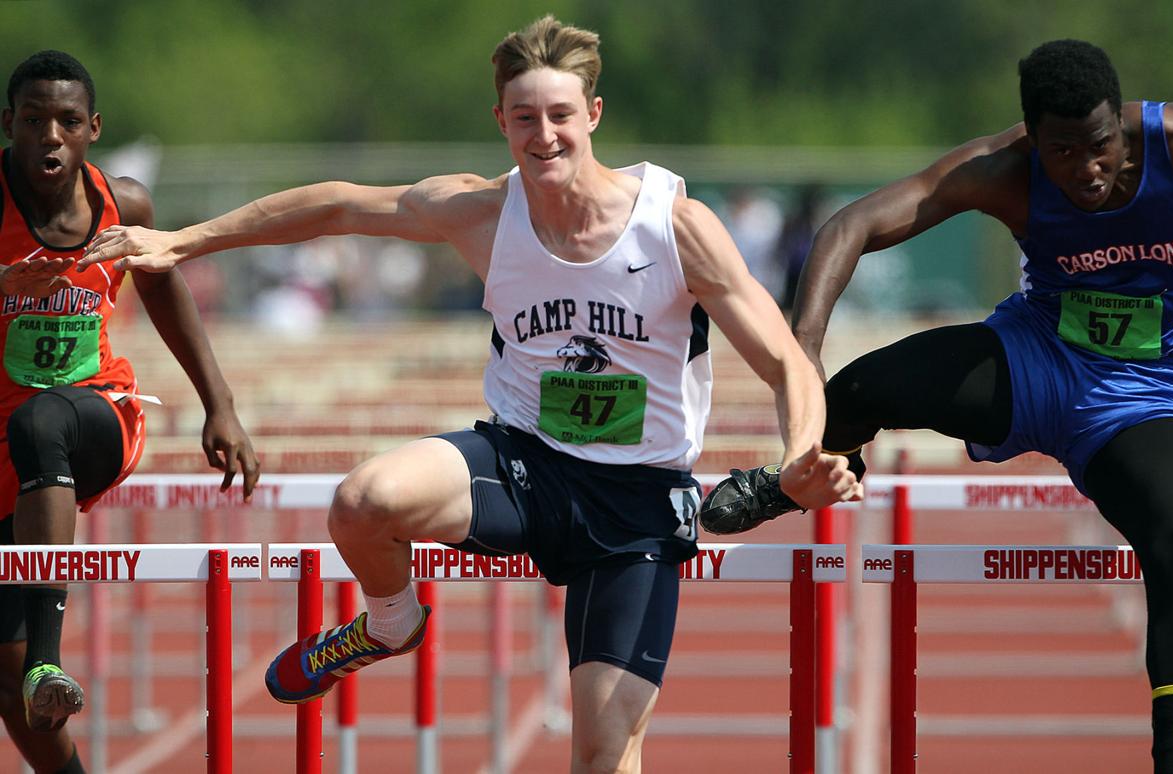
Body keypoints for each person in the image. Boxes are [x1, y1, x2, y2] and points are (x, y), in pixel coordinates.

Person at [78, 16, 861, 773]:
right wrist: (185, 238)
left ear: (593, 114)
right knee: (362, 502)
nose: (544, 136)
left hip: (638, 499)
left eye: (560, 116)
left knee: (602, 750)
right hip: (524, 462)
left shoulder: (675, 227)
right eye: (525, 118)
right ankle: (391, 625)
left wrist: (799, 459)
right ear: (501, 121)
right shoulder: (482, 212)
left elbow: (788, 361)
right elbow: (339, 204)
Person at [711, 39, 1173, 773]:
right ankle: (798, 476)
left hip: (1144, 392)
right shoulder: (1002, 170)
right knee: (857, 389)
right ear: (1032, 140)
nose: (1087, 170)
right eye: (1062, 152)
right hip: (1037, 358)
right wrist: (801, 350)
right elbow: (851, 227)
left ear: (1122, 126)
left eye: (1101, 146)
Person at [0, 50, 260, 773]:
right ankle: (41, 692)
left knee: (43, 422)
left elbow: (168, 294)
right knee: (7, 676)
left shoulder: (126, 204)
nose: (49, 136)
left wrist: (221, 407)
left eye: (67, 122)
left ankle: (51, 661)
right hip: (6, 443)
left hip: (99, 415)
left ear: (92, 129)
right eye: (33, 121)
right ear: (8, 125)